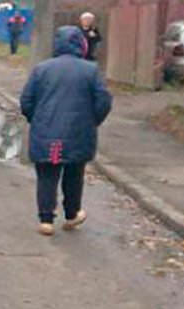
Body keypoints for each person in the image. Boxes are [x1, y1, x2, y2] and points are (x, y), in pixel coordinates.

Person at [19, 25, 113, 236]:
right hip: (78, 133)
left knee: (47, 174)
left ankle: (46, 220)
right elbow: (103, 101)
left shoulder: (42, 69)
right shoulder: (90, 70)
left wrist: (37, 119)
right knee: (74, 173)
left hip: (46, 133)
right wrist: (92, 121)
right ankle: (72, 214)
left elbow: (26, 100)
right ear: (81, 44)